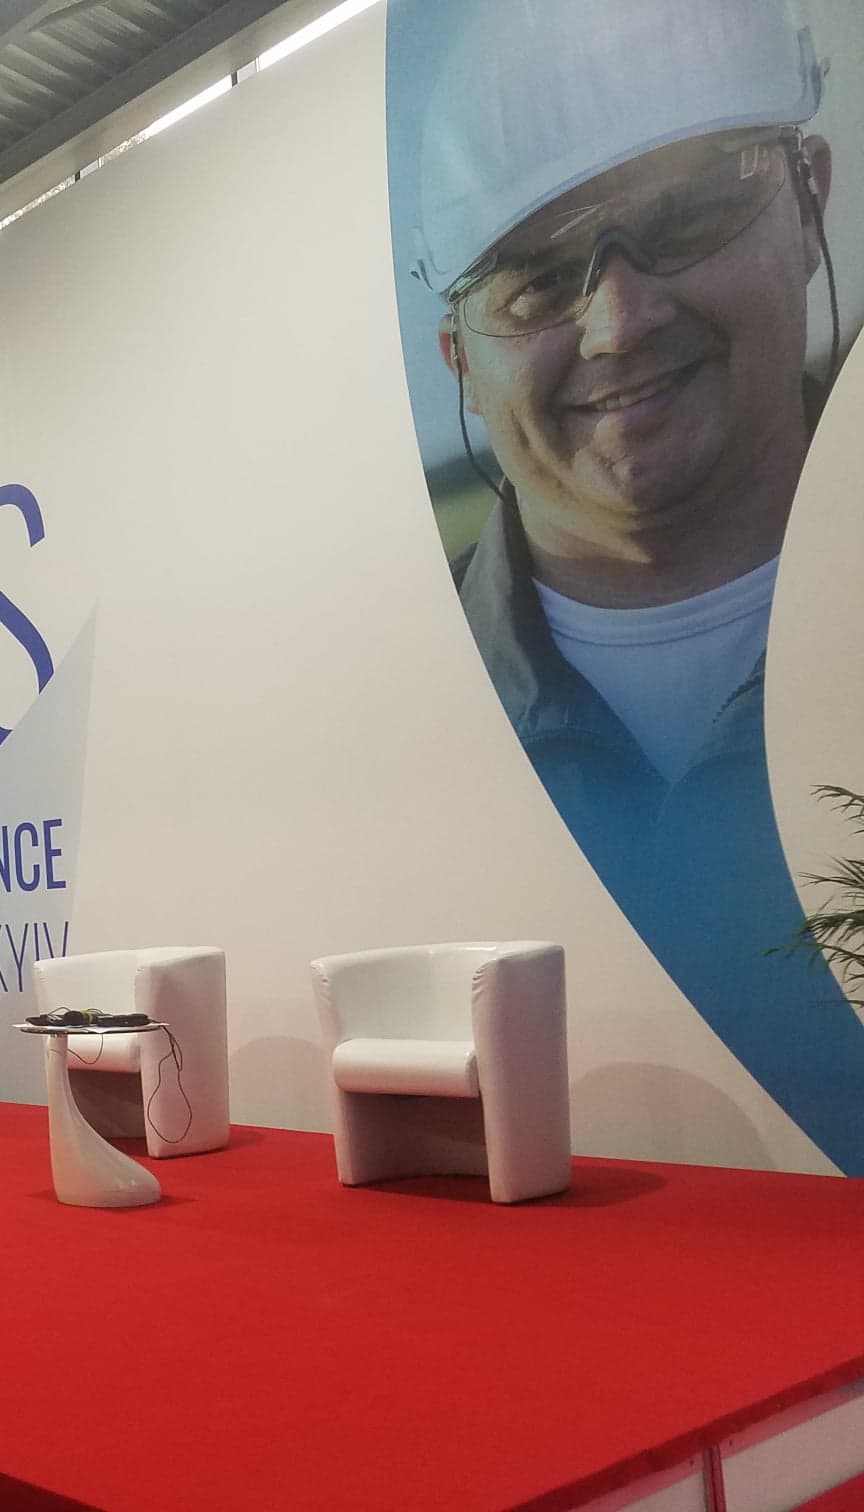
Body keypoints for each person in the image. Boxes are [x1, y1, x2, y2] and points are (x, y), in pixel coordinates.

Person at [403, 0, 864, 1172]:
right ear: (461, 359)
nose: (619, 322)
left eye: (692, 213)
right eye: (535, 280)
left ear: (809, 201)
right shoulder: (397, 724)